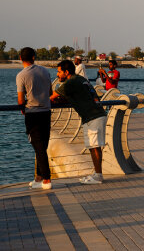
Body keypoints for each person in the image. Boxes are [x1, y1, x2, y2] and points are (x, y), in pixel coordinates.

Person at [51, 60, 106, 184]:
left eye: (59, 72)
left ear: (66, 72)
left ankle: (98, 176)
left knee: (95, 147)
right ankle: (97, 173)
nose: (57, 75)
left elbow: (51, 97)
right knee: (93, 147)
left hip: (93, 116)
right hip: (94, 115)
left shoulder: (70, 82)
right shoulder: (79, 79)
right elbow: (71, 97)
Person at [16, 47, 52, 190]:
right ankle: (39, 178)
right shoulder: (45, 71)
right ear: (34, 57)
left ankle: (47, 179)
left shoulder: (21, 75)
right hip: (46, 112)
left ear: (20, 58)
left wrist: (23, 107)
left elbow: (20, 100)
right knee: (42, 146)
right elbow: (50, 92)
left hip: (32, 113)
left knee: (38, 147)